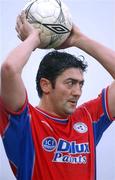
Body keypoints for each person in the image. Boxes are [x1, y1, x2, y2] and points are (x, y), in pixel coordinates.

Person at [0, 11, 115, 180]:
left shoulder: (88, 118)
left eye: (80, 84)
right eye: (70, 83)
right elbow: (9, 69)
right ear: (45, 85)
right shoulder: (24, 123)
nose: (77, 92)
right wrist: (33, 38)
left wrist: (79, 39)